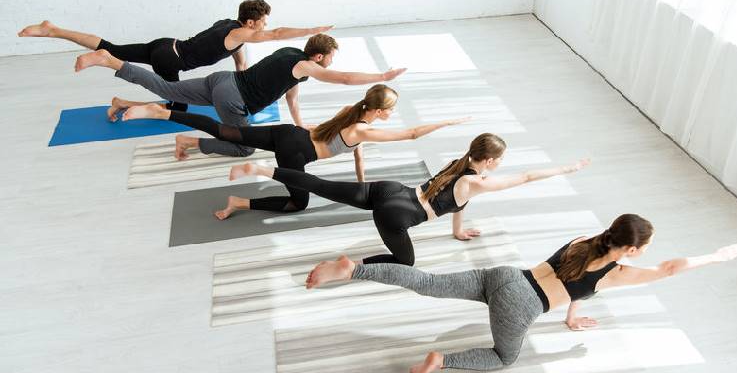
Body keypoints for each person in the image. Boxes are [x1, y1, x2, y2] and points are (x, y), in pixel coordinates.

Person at [304, 214, 737, 373]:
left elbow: (578, 283)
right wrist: (717, 256)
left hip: (505, 274)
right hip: (520, 306)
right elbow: (669, 269)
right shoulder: (620, 273)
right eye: (643, 247)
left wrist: (573, 314)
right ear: (630, 250)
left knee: (428, 282)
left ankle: (354, 269)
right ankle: (442, 360)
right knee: (502, 358)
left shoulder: (584, 241)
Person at [230, 133, 589, 264]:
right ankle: (352, 267)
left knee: (321, 184)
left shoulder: (460, 164)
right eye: (500, 162)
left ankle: (265, 170)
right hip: (397, 213)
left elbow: (458, 203)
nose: (502, 168)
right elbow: (525, 178)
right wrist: (565, 170)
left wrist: (459, 231)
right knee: (405, 264)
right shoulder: (477, 181)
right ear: (491, 162)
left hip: (392, 189)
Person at [120, 84, 468, 215]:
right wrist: (446, 123)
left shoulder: (354, 114)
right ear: (378, 111)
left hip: (289, 134)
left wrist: (362, 179)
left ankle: (163, 111)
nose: (391, 115)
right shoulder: (364, 128)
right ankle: (241, 202)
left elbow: (357, 149)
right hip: (296, 155)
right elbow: (409, 134)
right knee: (298, 202)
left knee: (229, 131)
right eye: (389, 110)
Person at [73, 34, 407, 157]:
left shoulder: (292, 54)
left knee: (167, 89)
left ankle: (112, 61)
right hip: (232, 100)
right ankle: (190, 142)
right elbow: (345, 78)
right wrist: (382, 76)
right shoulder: (308, 66)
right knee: (245, 146)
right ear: (319, 57)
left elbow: (290, 94)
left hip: (223, 79)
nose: (332, 63)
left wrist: (300, 123)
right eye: (330, 57)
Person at [18, 0, 332, 115]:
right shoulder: (240, 34)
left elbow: (240, 62)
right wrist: (312, 29)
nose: (267, 27)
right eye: (262, 23)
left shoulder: (231, 27)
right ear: (251, 23)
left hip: (166, 44)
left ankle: (54, 29)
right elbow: (276, 36)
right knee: (174, 101)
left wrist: (248, 79)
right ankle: (124, 104)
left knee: (110, 44)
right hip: (171, 61)